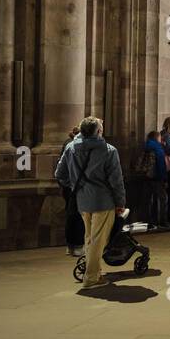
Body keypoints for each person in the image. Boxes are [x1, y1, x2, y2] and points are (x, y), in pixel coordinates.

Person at [55, 117, 126, 289]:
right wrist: (120, 202)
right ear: (98, 131)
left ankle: (95, 272)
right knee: (98, 241)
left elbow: (60, 174)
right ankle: (92, 278)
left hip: (82, 200)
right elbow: (116, 181)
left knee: (89, 238)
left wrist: (75, 186)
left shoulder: (71, 148)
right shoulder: (109, 150)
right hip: (103, 201)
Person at [55, 124, 86, 256]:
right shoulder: (77, 146)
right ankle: (78, 245)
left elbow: (60, 170)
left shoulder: (68, 144)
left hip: (70, 186)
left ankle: (70, 245)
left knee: (71, 214)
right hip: (78, 186)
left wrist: (66, 184)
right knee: (79, 216)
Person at [143, 129, 168, 229]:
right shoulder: (158, 148)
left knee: (150, 200)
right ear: (157, 137)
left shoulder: (146, 146)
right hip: (157, 177)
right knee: (162, 199)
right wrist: (164, 178)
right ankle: (162, 222)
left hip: (147, 176)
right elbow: (161, 165)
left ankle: (150, 221)